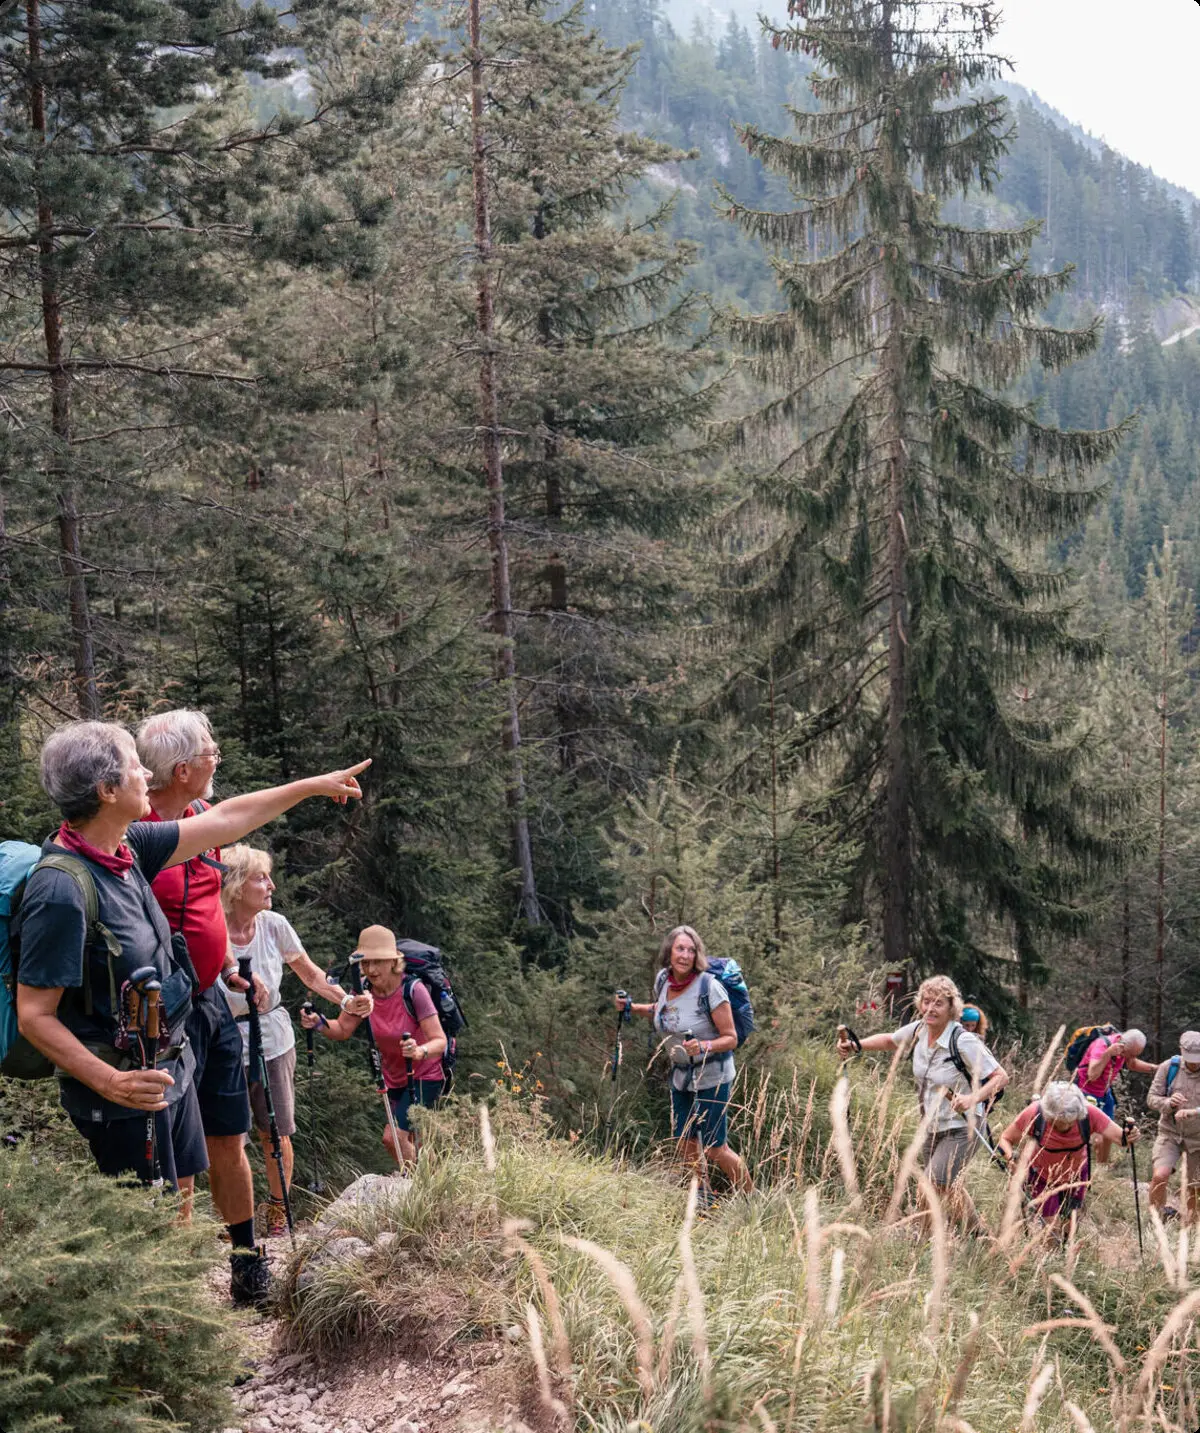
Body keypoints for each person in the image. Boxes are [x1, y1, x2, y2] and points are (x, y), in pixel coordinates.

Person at [15, 719, 369, 1307]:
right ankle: (156, 1366)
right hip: (123, 1087)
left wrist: (312, 785)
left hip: (165, 1060)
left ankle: (188, 1348)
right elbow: (35, 1014)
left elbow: (229, 818)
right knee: (145, 1233)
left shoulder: (127, 851)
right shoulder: (62, 887)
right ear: (106, 790)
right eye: (134, 766)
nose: (146, 776)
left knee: (166, 1218)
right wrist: (111, 1080)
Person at [220, 845, 370, 1231]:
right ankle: (238, 1219)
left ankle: (278, 1210)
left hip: (271, 1036)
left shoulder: (274, 924)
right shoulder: (212, 925)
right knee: (229, 1136)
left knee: (276, 1130)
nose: (271, 885)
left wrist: (346, 1000)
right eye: (260, 877)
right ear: (236, 886)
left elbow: (309, 973)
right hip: (221, 1038)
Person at [836, 974, 1008, 1234]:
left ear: (951, 1008)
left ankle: (921, 1238)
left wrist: (972, 1098)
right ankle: (978, 1235)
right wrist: (856, 1045)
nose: (930, 1008)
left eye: (938, 1003)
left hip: (964, 1125)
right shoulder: (919, 1030)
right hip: (933, 1124)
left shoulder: (963, 1040)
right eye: (926, 1001)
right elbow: (891, 1040)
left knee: (933, 1182)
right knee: (946, 1186)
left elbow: (1001, 1077)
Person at [614, 925, 752, 1202]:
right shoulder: (663, 980)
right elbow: (665, 1011)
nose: (685, 955)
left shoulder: (708, 987)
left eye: (691, 950)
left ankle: (751, 1201)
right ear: (670, 951)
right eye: (680, 948)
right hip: (680, 1075)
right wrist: (632, 1008)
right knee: (685, 1140)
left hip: (712, 1073)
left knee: (715, 1147)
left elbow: (731, 1038)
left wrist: (703, 1045)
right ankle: (702, 1198)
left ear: (697, 955)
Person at [301, 925, 446, 1168]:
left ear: (393, 961)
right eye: (366, 963)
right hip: (394, 1078)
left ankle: (422, 1187)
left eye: (378, 961)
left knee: (394, 1139)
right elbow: (343, 1029)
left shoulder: (414, 990)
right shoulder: (363, 992)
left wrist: (419, 1051)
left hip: (424, 1074)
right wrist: (319, 1023)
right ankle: (436, 1186)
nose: (371, 969)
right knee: (415, 1142)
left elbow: (439, 1040)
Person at [998, 1080, 1135, 1228]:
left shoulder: (1089, 1113)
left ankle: (1064, 1249)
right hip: (1042, 1178)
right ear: (1048, 1114)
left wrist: (1131, 1135)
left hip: (1075, 1178)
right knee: (1052, 1227)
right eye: (1060, 1122)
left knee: (1069, 1226)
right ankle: (1051, 1249)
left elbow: (1122, 1139)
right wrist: (1011, 1159)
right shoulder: (1035, 1113)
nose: (1066, 1126)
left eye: (1071, 1121)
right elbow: (1005, 1139)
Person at [1073, 1026, 1156, 1164]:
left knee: (1108, 1135)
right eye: (1130, 1054)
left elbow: (1132, 1064)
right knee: (1098, 1139)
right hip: (1086, 1092)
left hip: (1105, 1094)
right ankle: (1083, 1167)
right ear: (1123, 1046)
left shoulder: (1125, 1051)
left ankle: (1102, 1167)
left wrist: (1157, 1069)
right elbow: (1092, 1075)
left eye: (1135, 1054)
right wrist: (1108, 1054)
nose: (1131, 1058)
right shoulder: (1101, 1045)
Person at [1146, 1031, 1200, 1223]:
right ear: (1181, 1050)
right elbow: (1152, 1099)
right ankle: (1155, 1220)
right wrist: (1169, 1102)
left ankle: (1191, 1228)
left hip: (1198, 1138)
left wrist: (1194, 1111)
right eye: (1191, 1059)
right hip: (1170, 1132)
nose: (1194, 1063)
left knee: (1195, 1186)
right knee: (1160, 1174)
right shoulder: (1169, 1067)